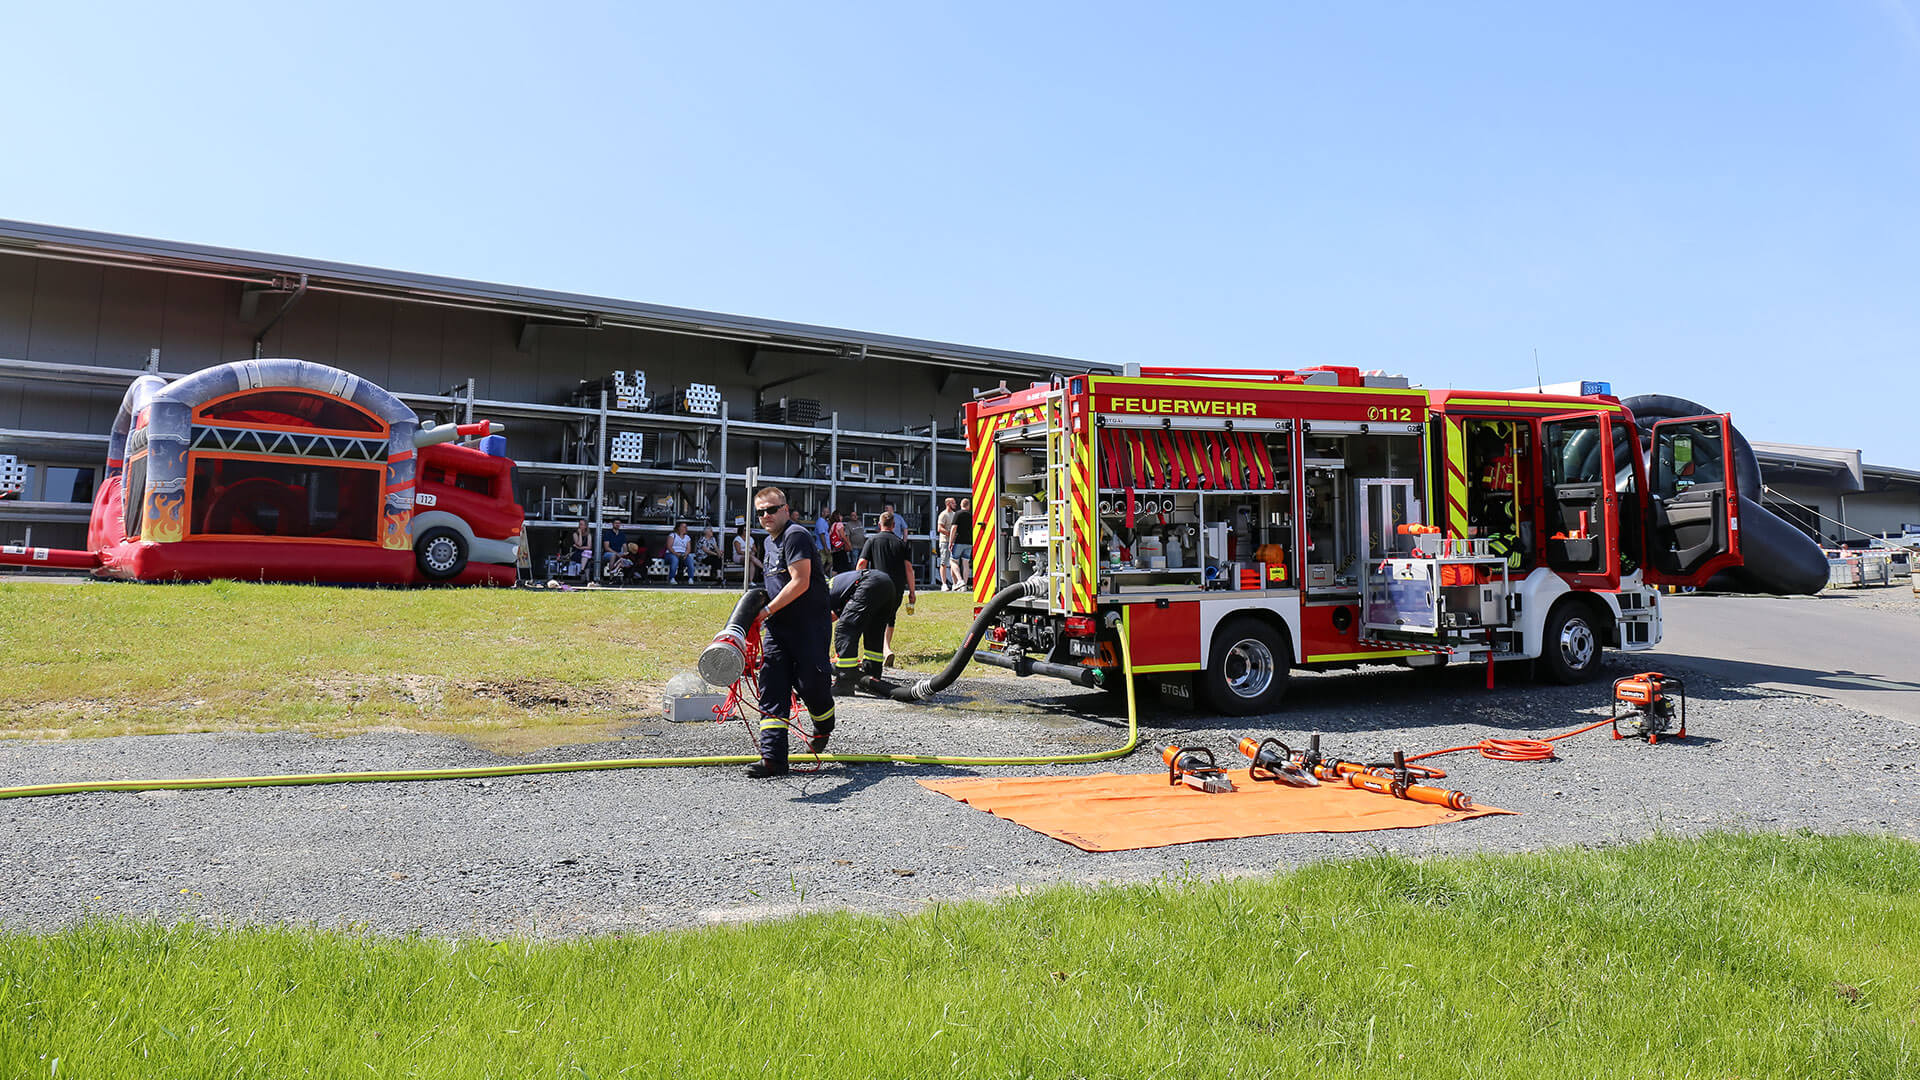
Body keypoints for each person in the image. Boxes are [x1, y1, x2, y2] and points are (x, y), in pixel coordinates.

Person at [747, 487, 835, 777]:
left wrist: (766, 610)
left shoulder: (795, 535)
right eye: (760, 512)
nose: (766, 516)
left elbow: (801, 581)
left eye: (772, 510)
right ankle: (773, 759)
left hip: (808, 626)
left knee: (811, 684)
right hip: (778, 629)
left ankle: (823, 725)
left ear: (785, 509)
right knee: (772, 686)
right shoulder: (768, 542)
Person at [856, 509, 915, 666]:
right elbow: (909, 569)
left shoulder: (872, 541)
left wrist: (857, 583)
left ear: (879, 525)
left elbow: (861, 564)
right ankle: (886, 648)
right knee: (890, 616)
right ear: (894, 525)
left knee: (874, 616)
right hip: (896, 587)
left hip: (877, 585)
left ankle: (880, 650)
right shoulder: (901, 544)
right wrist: (912, 592)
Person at [828, 567, 897, 694]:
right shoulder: (834, 589)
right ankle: (872, 678)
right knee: (874, 631)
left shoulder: (819, 595)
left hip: (869, 583)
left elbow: (824, 620)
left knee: (845, 630)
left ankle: (845, 683)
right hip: (886, 584)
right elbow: (833, 616)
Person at [949, 497, 974, 594]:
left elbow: (953, 528)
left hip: (959, 541)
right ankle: (964, 586)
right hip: (969, 542)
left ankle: (960, 581)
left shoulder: (958, 514)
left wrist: (951, 542)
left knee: (953, 561)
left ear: (961, 505)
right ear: (969, 506)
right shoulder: (971, 515)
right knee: (965, 563)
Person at [935, 497, 958, 590]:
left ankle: (954, 583)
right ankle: (944, 584)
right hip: (945, 541)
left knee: (954, 563)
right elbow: (939, 528)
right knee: (944, 562)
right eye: (953, 503)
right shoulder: (943, 514)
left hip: (954, 542)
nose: (955, 504)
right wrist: (950, 534)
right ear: (948, 504)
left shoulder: (955, 514)